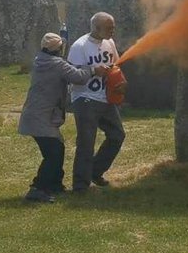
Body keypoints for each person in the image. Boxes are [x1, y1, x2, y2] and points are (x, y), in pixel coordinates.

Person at [17, 32, 109, 203]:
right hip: (41, 117)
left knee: (57, 149)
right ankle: (38, 189)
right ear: (59, 49)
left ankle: (55, 185)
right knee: (53, 154)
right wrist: (95, 70)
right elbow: (78, 77)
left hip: (35, 115)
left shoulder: (40, 60)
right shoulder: (56, 64)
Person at [67, 12, 126, 192]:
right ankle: (80, 186)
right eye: (109, 28)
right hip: (85, 99)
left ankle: (95, 171)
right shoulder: (80, 46)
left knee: (117, 135)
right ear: (96, 28)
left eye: (113, 27)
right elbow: (72, 76)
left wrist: (118, 81)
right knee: (86, 142)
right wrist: (93, 70)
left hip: (105, 98)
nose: (112, 31)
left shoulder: (109, 43)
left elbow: (115, 64)